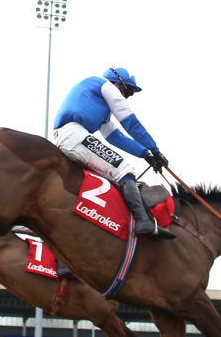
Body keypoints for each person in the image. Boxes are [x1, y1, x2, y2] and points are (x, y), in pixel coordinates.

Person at [53, 67, 175, 240]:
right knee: (124, 170)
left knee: (113, 176)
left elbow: (116, 137)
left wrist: (146, 154)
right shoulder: (106, 86)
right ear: (118, 84)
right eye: (128, 92)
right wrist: (155, 150)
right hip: (74, 135)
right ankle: (143, 221)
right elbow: (130, 123)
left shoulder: (100, 108)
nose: (126, 97)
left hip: (71, 135)